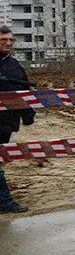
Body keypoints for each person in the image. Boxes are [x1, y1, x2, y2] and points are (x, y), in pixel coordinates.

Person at [0, 26, 34, 213]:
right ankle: (4, 201)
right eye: (4, 39)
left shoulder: (13, 64)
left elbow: (25, 90)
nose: (8, 43)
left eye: (11, 40)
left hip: (7, 121)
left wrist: (28, 114)